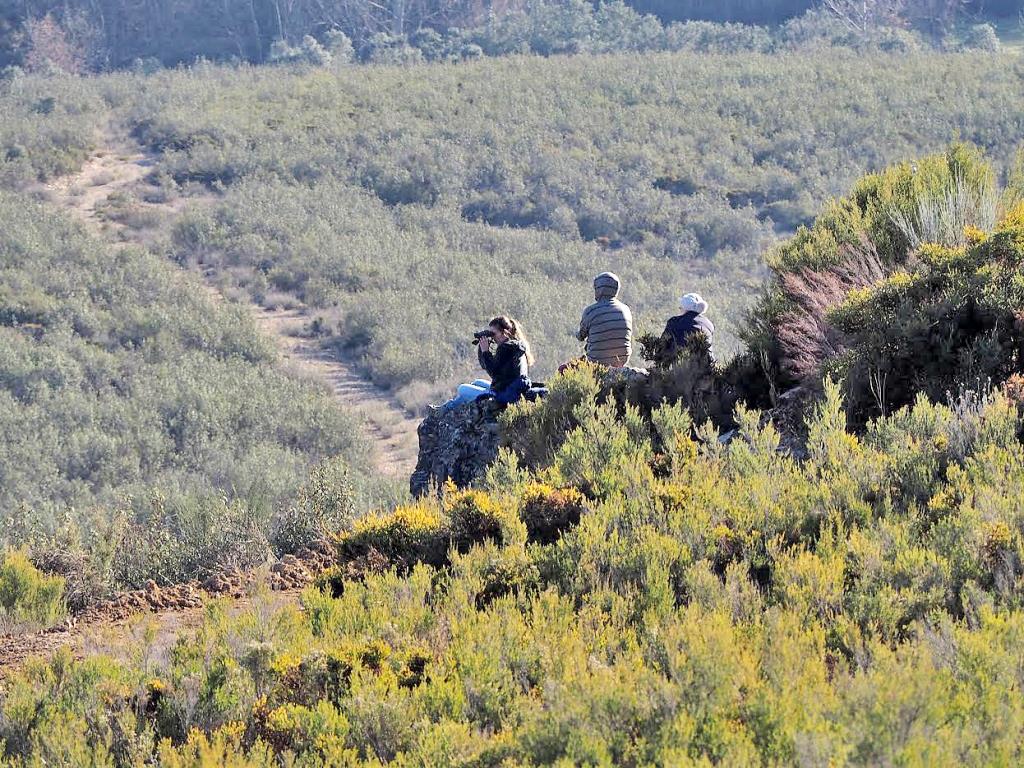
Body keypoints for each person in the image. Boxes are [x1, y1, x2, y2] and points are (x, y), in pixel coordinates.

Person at [442, 316, 535, 411]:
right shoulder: (516, 345)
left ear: (504, 332)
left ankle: (446, 409)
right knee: (476, 382)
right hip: (512, 388)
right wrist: (482, 349)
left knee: (462, 389)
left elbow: (494, 373)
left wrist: (486, 351)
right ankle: (449, 407)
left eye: (493, 333)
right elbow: (490, 368)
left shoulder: (506, 348)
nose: (492, 337)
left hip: (504, 393)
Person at [577, 271, 633, 368]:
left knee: (563, 369)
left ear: (600, 289)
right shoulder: (626, 310)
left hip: (596, 362)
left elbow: (581, 336)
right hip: (622, 361)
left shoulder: (591, 311)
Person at [660, 292, 715, 363]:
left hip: (681, 368)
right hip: (707, 368)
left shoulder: (674, 322)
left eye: (680, 308)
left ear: (685, 309)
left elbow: (661, 346)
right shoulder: (709, 324)